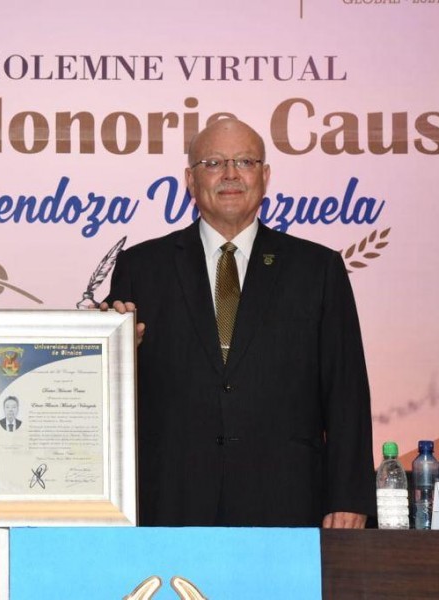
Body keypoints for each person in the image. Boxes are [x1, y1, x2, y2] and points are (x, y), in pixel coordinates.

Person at [103, 118, 375, 528]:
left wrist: (349, 495)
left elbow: (346, 392)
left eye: (245, 161)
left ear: (264, 177)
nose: (230, 174)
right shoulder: (141, 268)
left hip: (289, 499)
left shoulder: (317, 268)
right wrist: (111, 354)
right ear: (190, 181)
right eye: (213, 162)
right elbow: (112, 399)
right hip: (171, 498)